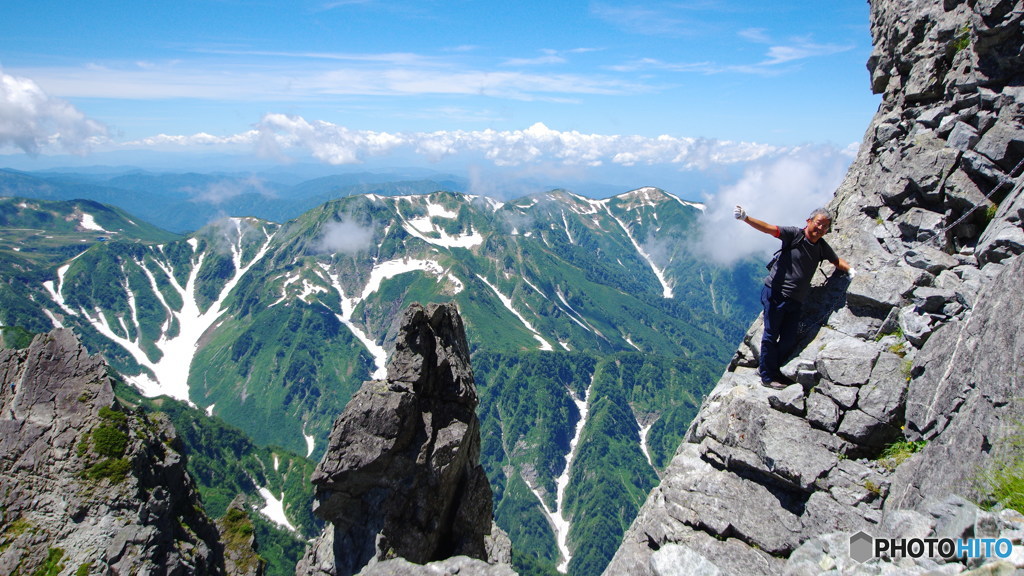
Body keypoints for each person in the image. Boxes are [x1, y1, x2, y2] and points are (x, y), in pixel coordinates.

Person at [734, 206, 855, 389]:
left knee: (789, 339)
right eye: (818, 224)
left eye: (825, 227)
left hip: (795, 300)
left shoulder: (821, 247)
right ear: (809, 221)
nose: (821, 229)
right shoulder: (794, 235)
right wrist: (746, 218)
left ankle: (769, 367)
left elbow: (836, 261)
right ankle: (767, 376)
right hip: (775, 293)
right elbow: (769, 228)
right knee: (770, 335)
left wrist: (851, 270)